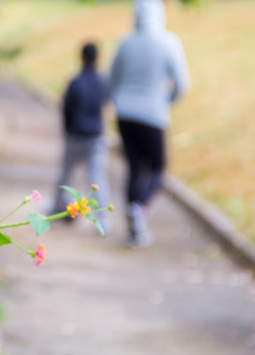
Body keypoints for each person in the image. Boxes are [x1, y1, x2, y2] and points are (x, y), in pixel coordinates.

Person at [109, 0, 190, 248]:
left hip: (125, 114)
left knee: (134, 167)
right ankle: (140, 207)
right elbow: (182, 84)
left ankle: (134, 230)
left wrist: (120, 101)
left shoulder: (125, 41)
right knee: (157, 167)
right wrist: (164, 101)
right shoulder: (169, 42)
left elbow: (112, 79)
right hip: (153, 114)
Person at [52, 42, 111, 232]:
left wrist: (67, 130)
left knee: (66, 174)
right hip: (95, 136)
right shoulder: (102, 82)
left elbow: (66, 109)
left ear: (82, 57)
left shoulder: (76, 82)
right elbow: (105, 106)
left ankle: (58, 208)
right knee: (97, 178)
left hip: (76, 135)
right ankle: (103, 219)